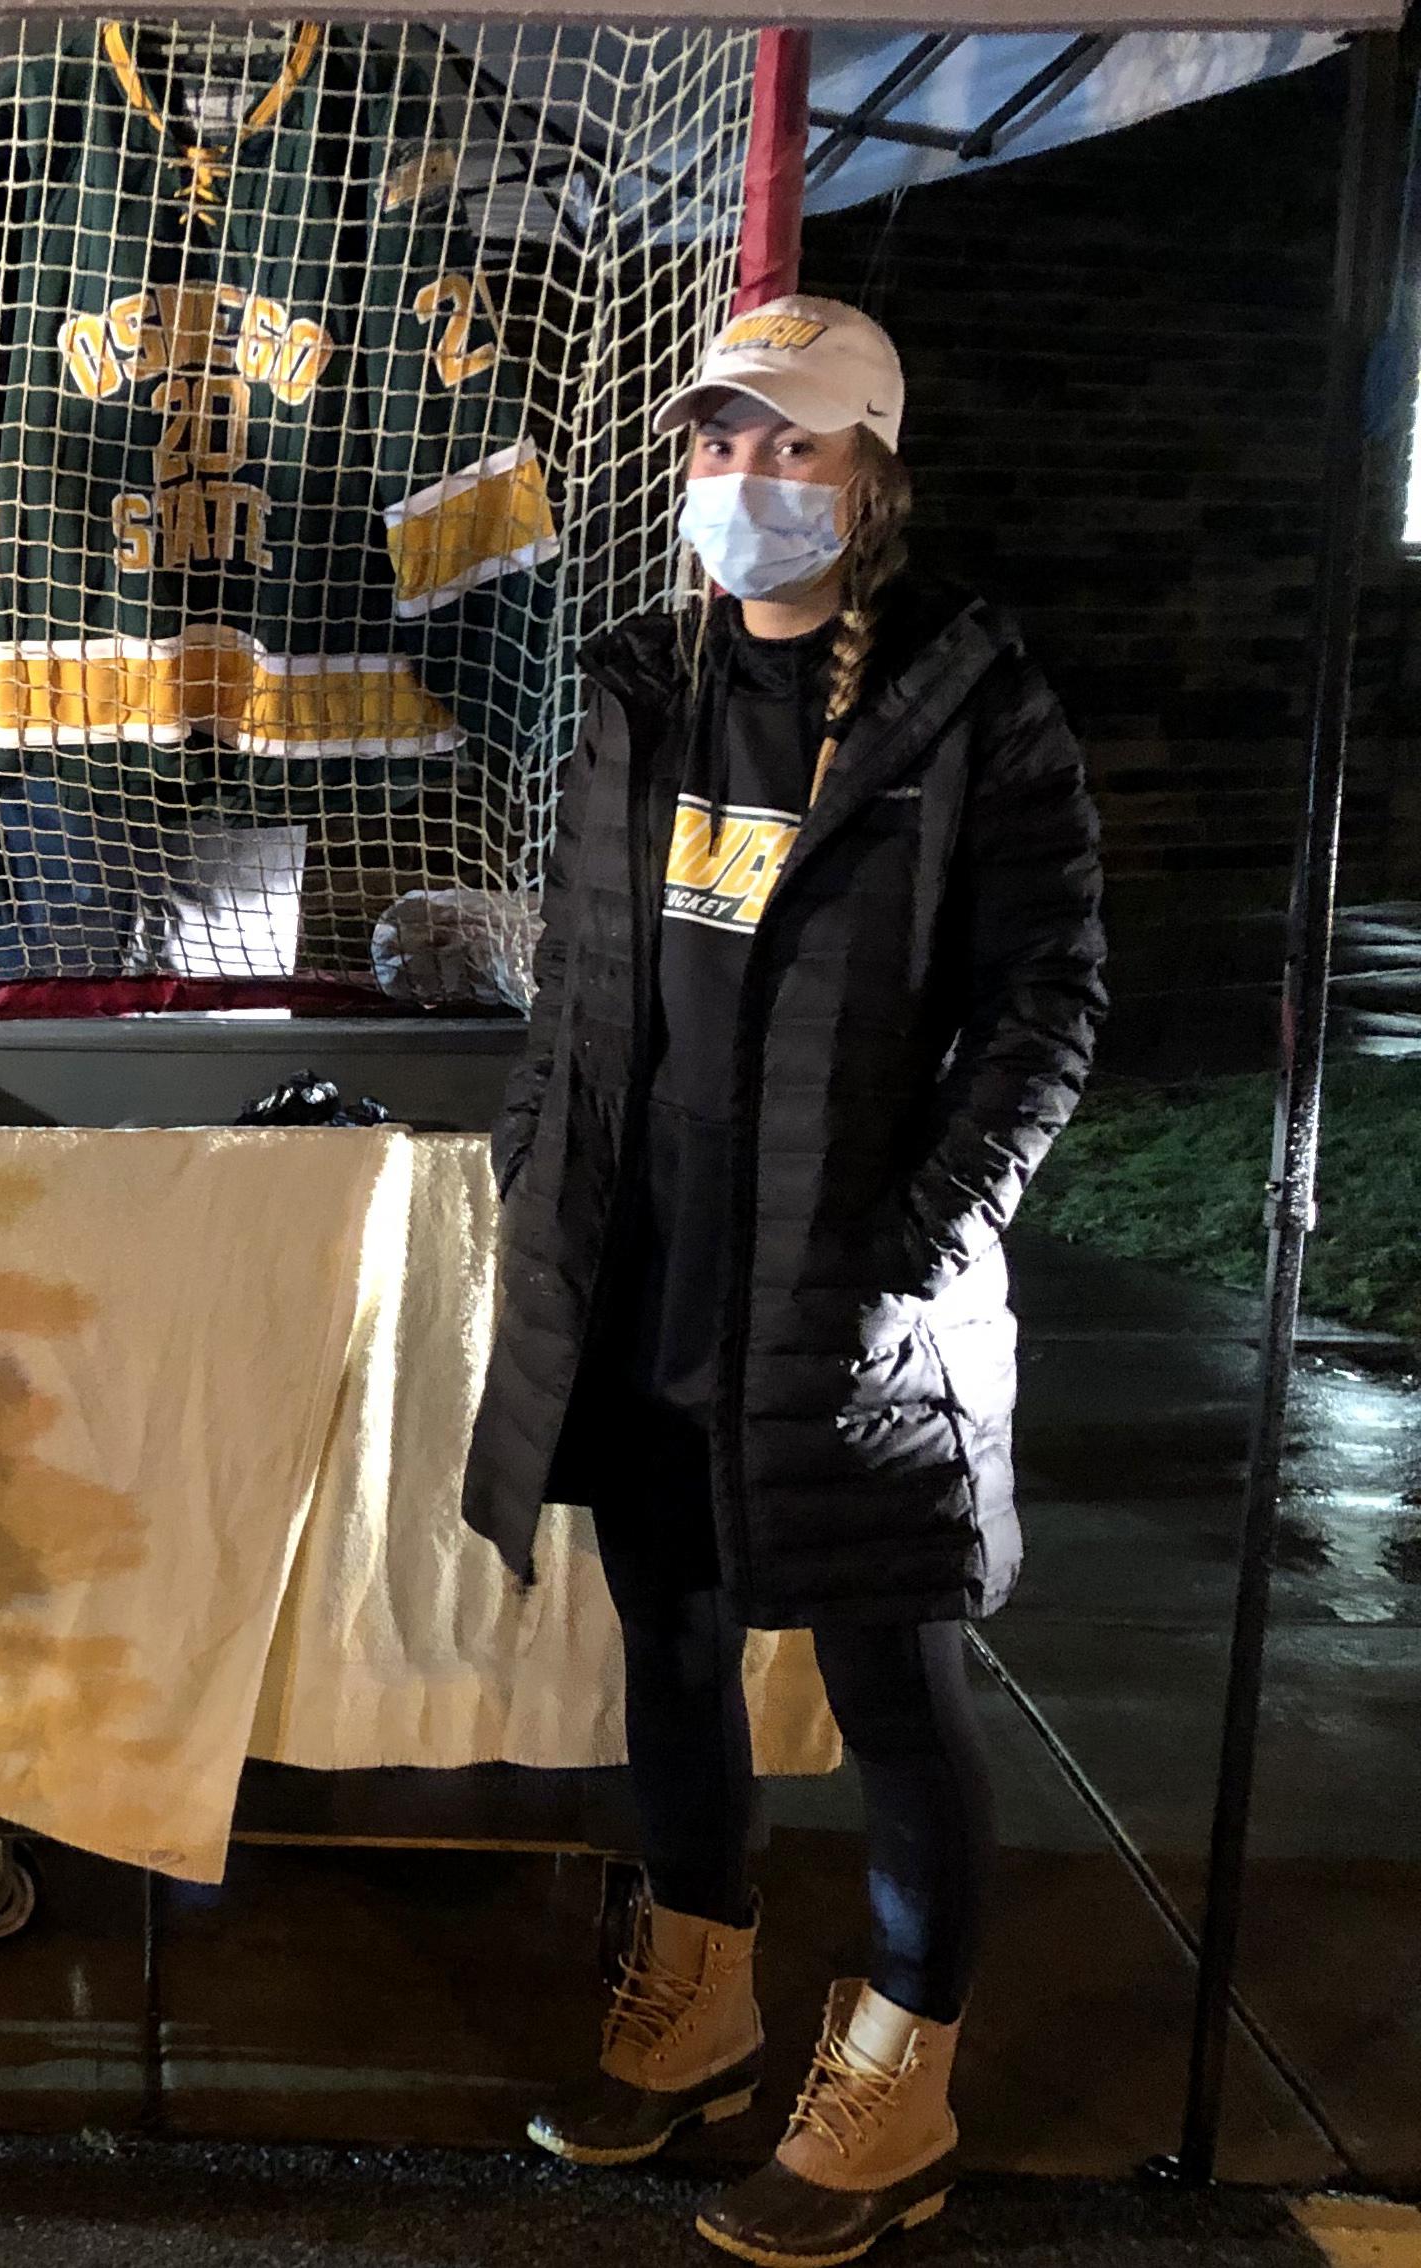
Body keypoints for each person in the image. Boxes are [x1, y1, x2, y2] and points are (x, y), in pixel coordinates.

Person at [462, 295, 1105, 2267]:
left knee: (888, 1682)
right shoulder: (637, 679)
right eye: (722, 441)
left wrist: (918, 1234)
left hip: (849, 1298)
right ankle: (705, 1997)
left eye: (796, 446)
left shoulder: (967, 698)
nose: (750, 478)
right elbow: (588, 977)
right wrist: (535, 1149)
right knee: (668, 1646)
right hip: (648, 1260)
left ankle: (903, 2077)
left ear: (871, 476)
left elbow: (1046, 1005)